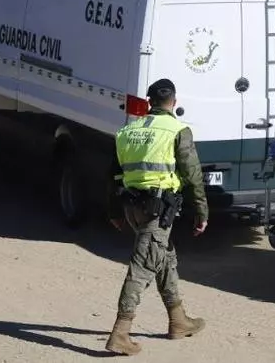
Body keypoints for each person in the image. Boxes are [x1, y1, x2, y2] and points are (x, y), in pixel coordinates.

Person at [104, 78, 208, 356]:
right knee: (143, 266)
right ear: (174, 102)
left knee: (163, 257)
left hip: (132, 207)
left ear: (149, 103)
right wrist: (201, 211)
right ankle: (120, 332)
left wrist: (114, 211)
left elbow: (114, 175)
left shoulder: (128, 129)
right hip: (157, 208)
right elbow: (192, 174)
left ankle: (178, 320)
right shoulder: (177, 129)